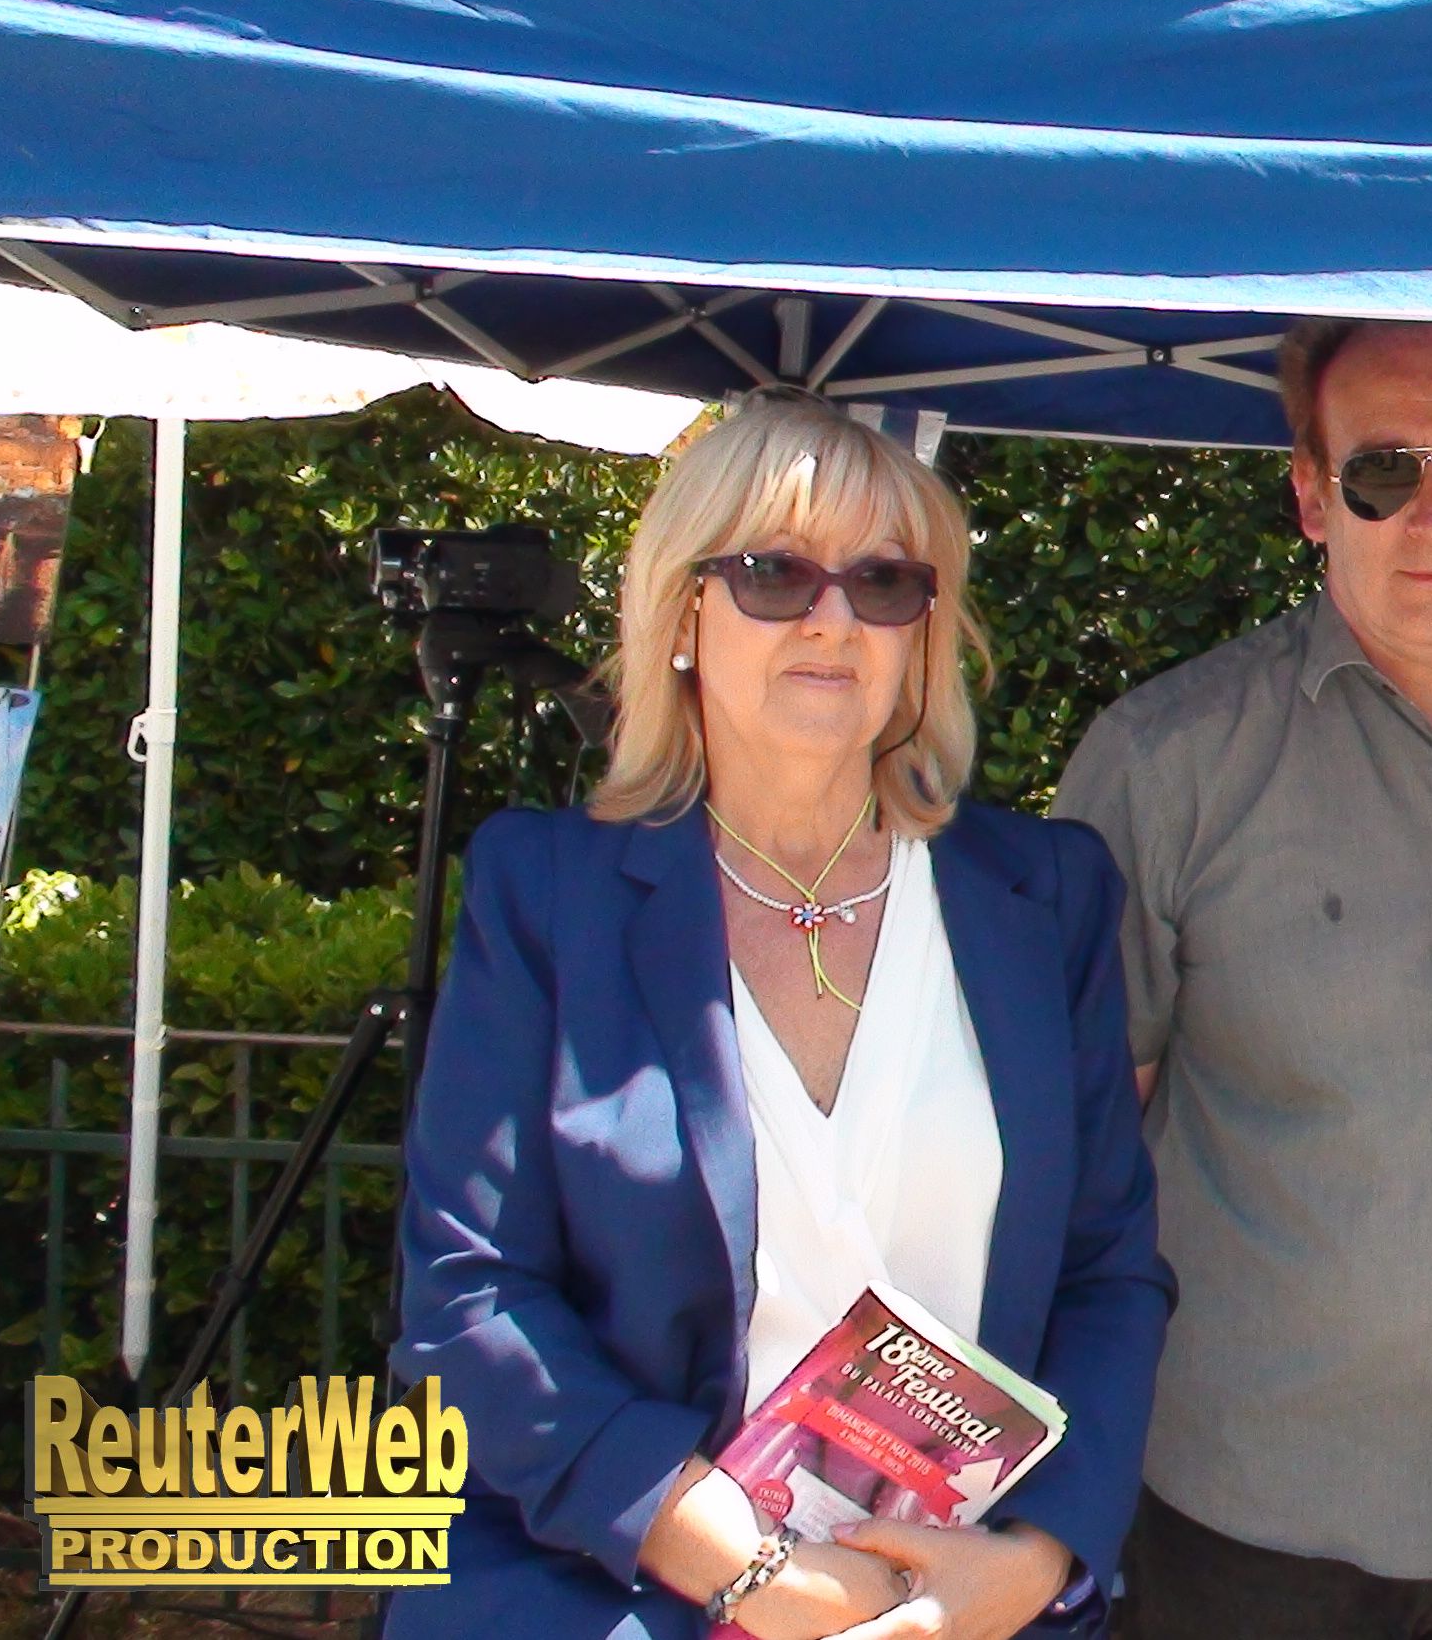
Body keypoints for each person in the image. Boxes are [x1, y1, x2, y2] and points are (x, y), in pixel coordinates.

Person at [396, 391, 1174, 1640]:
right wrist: (752, 1571)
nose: (832, 619)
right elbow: (470, 1297)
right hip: (620, 1597)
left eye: (884, 582)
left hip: (961, 1609)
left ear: (924, 632)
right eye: (774, 573)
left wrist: (1034, 1563)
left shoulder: (1045, 897)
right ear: (682, 613)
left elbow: (1108, 1279)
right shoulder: (545, 893)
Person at [1052, 320, 1432, 1640]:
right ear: (1310, 493)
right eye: (1383, 471)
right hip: (1255, 1537)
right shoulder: (1166, 766)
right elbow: (1072, 1173)